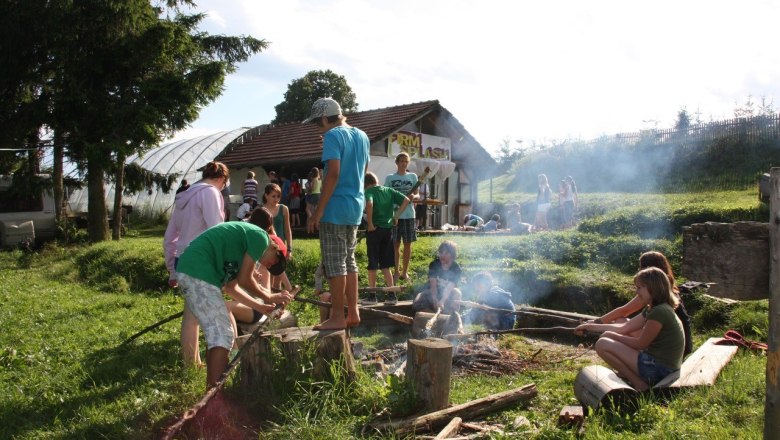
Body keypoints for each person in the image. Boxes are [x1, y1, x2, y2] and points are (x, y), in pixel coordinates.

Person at [175, 221, 293, 388]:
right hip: (198, 272)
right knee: (223, 335)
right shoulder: (260, 237)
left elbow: (232, 288)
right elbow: (246, 279)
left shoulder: (242, 250)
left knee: (218, 335)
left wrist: (261, 307)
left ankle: (213, 390)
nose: (268, 266)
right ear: (274, 247)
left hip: (193, 271)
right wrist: (268, 296)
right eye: (273, 263)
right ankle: (215, 398)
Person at [305, 97, 370, 331]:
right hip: (355, 206)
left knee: (334, 264)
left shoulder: (333, 136)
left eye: (317, 122)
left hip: (335, 207)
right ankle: (353, 312)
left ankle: (337, 317)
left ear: (324, 118)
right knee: (349, 260)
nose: (316, 128)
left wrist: (318, 211)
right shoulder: (362, 135)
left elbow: (332, 174)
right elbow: (363, 171)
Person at [575, 267, 685, 391]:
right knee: (619, 324)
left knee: (602, 344)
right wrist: (590, 327)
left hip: (661, 370)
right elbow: (625, 327)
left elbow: (641, 343)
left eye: (639, 288)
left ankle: (640, 385)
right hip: (663, 365)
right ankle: (637, 379)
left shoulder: (659, 312)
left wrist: (612, 335)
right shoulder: (655, 308)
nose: (636, 292)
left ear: (653, 288)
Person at [163, 161, 228, 366]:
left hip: (184, 259)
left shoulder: (184, 196)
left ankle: (192, 362)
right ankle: (202, 363)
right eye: (224, 185)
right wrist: (224, 265)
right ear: (221, 179)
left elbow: (170, 237)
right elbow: (217, 231)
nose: (223, 189)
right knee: (207, 314)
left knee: (191, 314)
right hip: (201, 259)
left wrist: (172, 269)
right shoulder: (210, 193)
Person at [594, 251, 693, 356]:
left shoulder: (654, 292)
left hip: (672, 348)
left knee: (620, 322)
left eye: (640, 266)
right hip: (683, 344)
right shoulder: (665, 286)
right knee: (621, 322)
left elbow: (625, 310)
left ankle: (635, 357)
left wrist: (598, 322)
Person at [363, 171, 411, 305]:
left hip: (375, 230)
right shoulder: (388, 190)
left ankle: (372, 296)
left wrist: (370, 223)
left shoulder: (369, 191)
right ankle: (391, 295)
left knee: (372, 264)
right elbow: (407, 200)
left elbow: (370, 204)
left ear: (365, 184)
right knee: (386, 265)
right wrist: (396, 216)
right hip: (388, 230)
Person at [384, 152, 418, 283]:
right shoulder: (390, 178)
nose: (404, 163)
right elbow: (386, 195)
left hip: (409, 215)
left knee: (408, 244)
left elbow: (418, 195)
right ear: (397, 163)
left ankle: (405, 272)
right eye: (401, 161)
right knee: (395, 245)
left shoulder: (413, 176)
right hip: (395, 215)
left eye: (406, 161)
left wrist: (413, 197)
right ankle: (396, 272)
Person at [412, 240, 463, 315]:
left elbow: (449, 287)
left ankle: (450, 317)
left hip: (448, 294)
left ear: (452, 255)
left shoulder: (456, 269)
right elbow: (433, 285)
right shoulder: (434, 264)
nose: (442, 255)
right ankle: (431, 315)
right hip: (432, 292)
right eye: (441, 253)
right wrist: (434, 298)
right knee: (417, 302)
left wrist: (442, 301)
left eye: (446, 253)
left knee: (457, 293)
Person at [261, 183, 293, 291]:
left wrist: (289, 248)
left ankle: (278, 302)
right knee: (268, 275)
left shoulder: (283, 209)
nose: (276, 199)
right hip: (267, 247)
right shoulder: (262, 210)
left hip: (280, 245)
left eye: (278, 196)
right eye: (273, 196)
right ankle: (268, 300)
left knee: (278, 277)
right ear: (266, 195)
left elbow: (287, 229)